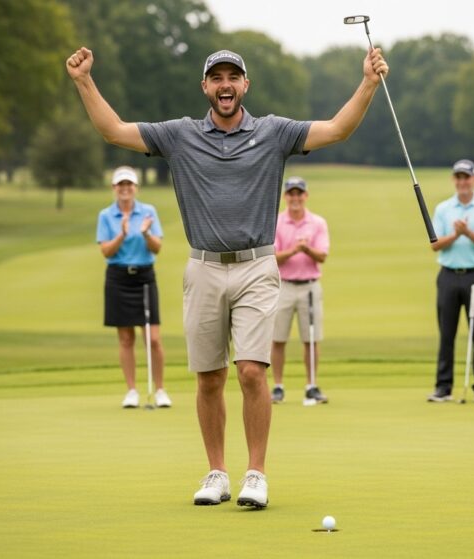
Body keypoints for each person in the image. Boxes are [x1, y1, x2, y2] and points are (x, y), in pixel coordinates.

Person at [66, 45, 388, 509]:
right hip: (203, 267)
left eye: (232, 77)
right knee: (209, 378)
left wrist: (368, 82)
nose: (225, 85)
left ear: (245, 85)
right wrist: (83, 81)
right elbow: (113, 131)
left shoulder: (275, 132)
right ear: (205, 87)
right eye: (216, 77)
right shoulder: (179, 135)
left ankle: (255, 474)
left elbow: (337, 129)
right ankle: (216, 472)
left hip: (257, 265)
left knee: (253, 372)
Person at [95, 166, 171, 410]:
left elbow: (157, 248)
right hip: (118, 277)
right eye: (121, 184)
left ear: (136, 188)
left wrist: (146, 233)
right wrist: (122, 234)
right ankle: (132, 391)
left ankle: (160, 390)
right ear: (114, 188)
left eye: (129, 184)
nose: (125, 188)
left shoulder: (148, 212)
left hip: (145, 276)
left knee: (154, 338)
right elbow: (106, 251)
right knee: (126, 338)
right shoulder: (106, 216)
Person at [427, 159, 474, 404]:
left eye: (466, 177)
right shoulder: (443, 209)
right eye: (458, 178)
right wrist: (456, 234)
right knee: (446, 333)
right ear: (454, 180)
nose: (462, 182)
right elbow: (435, 244)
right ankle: (443, 387)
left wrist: (467, 233)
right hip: (448, 275)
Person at [270, 176, 330, 405]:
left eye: (299, 193)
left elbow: (322, 256)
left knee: (311, 338)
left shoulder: (317, 223)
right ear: (285, 196)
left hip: (310, 286)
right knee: (278, 338)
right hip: (283, 285)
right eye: (291, 194)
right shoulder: (276, 222)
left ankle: (311, 386)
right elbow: (273, 257)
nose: (295, 198)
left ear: (306, 196)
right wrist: (296, 250)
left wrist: (307, 248)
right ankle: (278, 387)